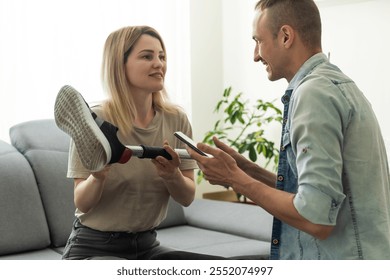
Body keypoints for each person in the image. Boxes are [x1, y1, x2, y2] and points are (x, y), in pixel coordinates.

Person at [187, 0, 390, 260]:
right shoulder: (339, 85)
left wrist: (235, 179)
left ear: (285, 36)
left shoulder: (313, 94)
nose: (255, 55)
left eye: (258, 41)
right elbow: (319, 195)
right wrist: (246, 170)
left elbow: (315, 217)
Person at [61, 25, 199, 260]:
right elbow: (81, 203)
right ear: (120, 65)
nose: (159, 64)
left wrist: (172, 176)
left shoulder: (176, 119)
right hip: (92, 248)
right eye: (147, 56)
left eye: (162, 56)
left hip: (147, 246)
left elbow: (186, 198)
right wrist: (98, 176)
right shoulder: (95, 121)